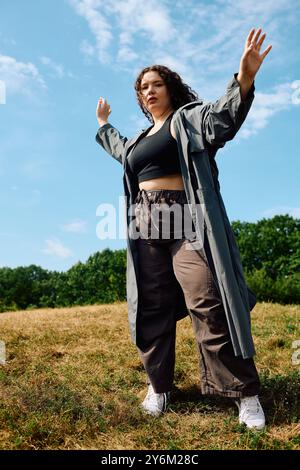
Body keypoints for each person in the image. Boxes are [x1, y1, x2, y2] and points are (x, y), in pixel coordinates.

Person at [95, 28, 272, 430]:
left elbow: (219, 119)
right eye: (143, 87)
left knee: (208, 300)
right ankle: (159, 387)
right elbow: (122, 150)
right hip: (145, 223)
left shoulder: (185, 119)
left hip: (186, 218)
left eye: (157, 83)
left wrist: (243, 79)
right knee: (152, 308)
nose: (150, 90)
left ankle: (245, 393)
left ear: (171, 88)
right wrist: (104, 125)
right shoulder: (141, 138)